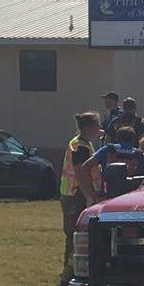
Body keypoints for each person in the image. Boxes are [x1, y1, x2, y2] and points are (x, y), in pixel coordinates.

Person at [61, 111, 103, 276]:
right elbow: (80, 172)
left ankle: (73, 271)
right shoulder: (80, 146)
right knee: (74, 237)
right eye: (97, 125)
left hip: (77, 194)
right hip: (76, 195)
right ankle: (68, 276)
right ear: (90, 127)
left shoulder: (85, 144)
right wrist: (89, 196)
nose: (99, 128)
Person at [92, 124, 144, 199]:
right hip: (133, 196)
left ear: (117, 138)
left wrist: (92, 192)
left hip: (108, 195)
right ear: (134, 139)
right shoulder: (139, 154)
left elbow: (86, 166)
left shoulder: (107, 150)